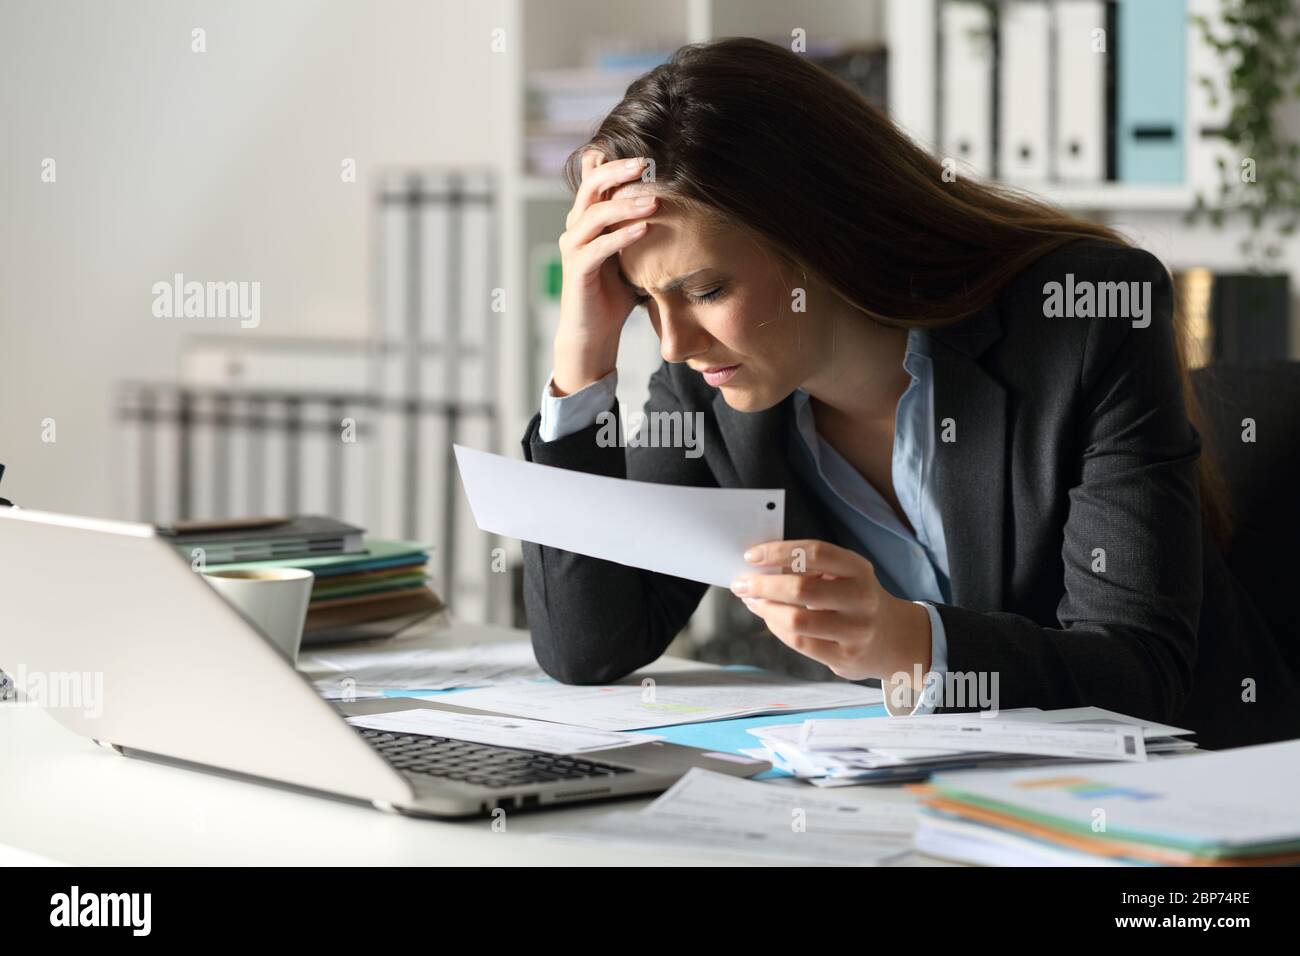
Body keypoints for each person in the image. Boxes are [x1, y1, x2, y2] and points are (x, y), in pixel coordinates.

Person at [520, 38, 1300, 749]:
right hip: (934, 811)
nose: (672, 345)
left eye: (705, 288)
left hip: (1187, 804)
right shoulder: (707, 388)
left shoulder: (1085, 321)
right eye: (642, 301)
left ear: (816, 234)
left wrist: (909, 644)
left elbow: (1141, 675)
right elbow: (590, 646)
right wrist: (581, 354)